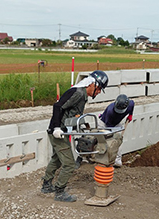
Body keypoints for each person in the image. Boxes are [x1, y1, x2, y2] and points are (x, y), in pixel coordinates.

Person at [41, 70, 109, 202]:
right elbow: (58, 106)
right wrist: (55, 127)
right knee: (69, 164)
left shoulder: (82, 94)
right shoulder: (77, 93)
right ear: (92, 84)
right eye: (99, 88)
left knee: (57, 160)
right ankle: (59, 192)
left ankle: (46, 185)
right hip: (57, 132)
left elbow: (73, 114)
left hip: (62, 132)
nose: (99, 92)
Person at [98, 94, 135, 167]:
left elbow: (133, 104)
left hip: (116, 123)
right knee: (107, 141)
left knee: (118, 140)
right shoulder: (110, 111)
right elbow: (109, 128)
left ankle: (117, 161)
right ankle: (104, 160)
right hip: (105, 124)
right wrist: (111, 137)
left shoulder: (130, 104)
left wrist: (130, 115)